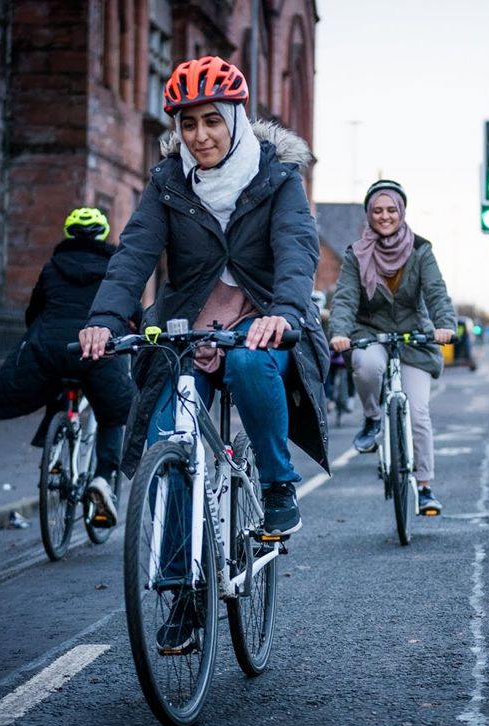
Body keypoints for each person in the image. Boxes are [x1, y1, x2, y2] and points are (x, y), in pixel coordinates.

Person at [78, 55, 329, 542]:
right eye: (188, 123)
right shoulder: (168, 182)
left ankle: (278, 484)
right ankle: (178, 586)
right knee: (166, 443)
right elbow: (133, 254)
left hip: (261, 320)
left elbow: (297, 249)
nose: (200, 135)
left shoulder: (277, 179)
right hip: (188, 328)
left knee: (250, 365)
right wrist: (104, 318)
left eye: (212, 120)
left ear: (234, 118)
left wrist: (284, 312)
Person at [0, 207, 136, 528]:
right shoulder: (113, 268)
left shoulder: (52, 268)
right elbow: (132, 309)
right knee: (114, 413)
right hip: (97, 351)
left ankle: (56, 449)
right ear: (103, 234)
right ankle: (103, 480)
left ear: (69, 233)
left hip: (52, 350)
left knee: (59, 382)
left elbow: (34, 311)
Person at [328, 179, 455, 514]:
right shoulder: (356, 255)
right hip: (371, 331)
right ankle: (372, 419)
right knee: (367, 365)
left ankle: (425, 487)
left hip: (414, 336)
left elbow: (436, 292)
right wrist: (340, 332)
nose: (385, 216)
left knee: (419, 413)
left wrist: (445, 326)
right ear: (369, 215)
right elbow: (344, 299)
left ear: (401, 213)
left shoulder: (421, 251)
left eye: (391, 210)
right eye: (378, 210)